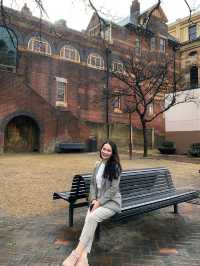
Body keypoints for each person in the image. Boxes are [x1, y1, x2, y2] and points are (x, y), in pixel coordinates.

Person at [62, 140, 122, 266]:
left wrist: (99, 202)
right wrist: (93, 199)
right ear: (101, 149)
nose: (105, 152)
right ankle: (83, 258)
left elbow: (113, 189)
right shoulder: (97, 165)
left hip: (111, 203)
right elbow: (93, 185)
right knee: (90, 217)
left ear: (113, 153)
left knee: (91, 217)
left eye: (108, 150)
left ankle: (76, 254)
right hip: (97, 201)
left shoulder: (115, 167)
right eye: (104, 149)